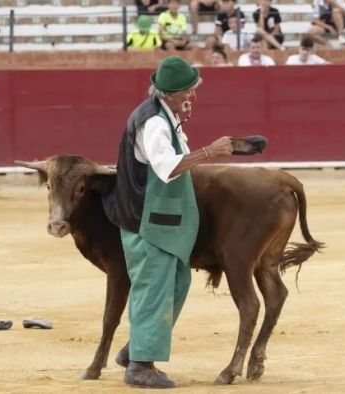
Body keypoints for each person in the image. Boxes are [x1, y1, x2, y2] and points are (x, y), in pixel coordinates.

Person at [102, 56, 234, 389]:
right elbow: (168, 167)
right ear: (172, 93)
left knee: (176, 283)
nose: (192, 95)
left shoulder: (164, 114)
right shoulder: (155, 123)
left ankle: (138, 346)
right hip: (146, 220)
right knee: (154, 288)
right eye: (189, 90)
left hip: (157, 217)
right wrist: (210, 152)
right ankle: (140, 366)